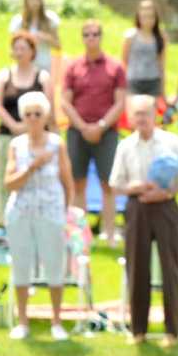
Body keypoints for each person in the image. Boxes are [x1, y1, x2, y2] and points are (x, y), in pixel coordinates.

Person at [108, 95, 178, 346]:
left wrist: (165, 192)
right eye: (137, 114)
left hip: (165, 206)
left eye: (146, 113)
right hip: (137, 208)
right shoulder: (125, 146)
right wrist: (134, 187)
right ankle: (138, 330)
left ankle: (172, 331)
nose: (141, 119)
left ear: (155, 114)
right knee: (137, 268)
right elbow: (115, 184)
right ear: (131, 117)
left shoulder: (171, 142)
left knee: (170, 267)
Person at [4, 90, 77, 341]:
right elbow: (10, 183)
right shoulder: (16, 145)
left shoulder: (57, 144)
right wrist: (32, 166)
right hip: (21, 211)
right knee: (21, 265)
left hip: (51, 211)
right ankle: (22, 321)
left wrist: (67, 213)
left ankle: (57, 321)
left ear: (45, 116)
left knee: (55, 265)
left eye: (37, 114)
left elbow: (68, 183)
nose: (33, 118)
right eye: (28, 114)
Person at [61, 20, 128, 245]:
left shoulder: (115, 67)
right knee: (77, 183)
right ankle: (80, 236)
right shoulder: (73, 67)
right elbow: (65, 102)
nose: (91, 38)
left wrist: (100, 126)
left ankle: (109, 234)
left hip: (106, 133)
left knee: (108, 184)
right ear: (82, 38)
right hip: (77, 132)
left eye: (95, 34)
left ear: (101, 37)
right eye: (87, 34)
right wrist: (82, 126)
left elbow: (120, 103)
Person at [0, 32, 48, 231]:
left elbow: (48, 107)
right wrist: (14, 126)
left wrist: (29, 128)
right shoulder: (4, 75)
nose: (19, 52)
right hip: (7, 135)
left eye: (24, 48)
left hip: (36, 138)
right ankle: (2, 222)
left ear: (33, 52)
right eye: (16, 48)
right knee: (5, 178)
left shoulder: (42, 77)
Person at [11, 0, 61, 123]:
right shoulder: (18, 21)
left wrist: (45, 37)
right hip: (25, 68)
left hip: (44, 65)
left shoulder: (50, 19)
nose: (34, 2)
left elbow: (58, 45)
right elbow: (13, 47)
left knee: (45, 101)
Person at [122, 0, 168, 111]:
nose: (148, 20)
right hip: (134, 81)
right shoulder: (130, 36)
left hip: (153, 82)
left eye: (151, 16)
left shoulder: (160, 37)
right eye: (144, 16)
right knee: (135, 114)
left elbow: (161, 64)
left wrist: (163, 89)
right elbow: (124, 61)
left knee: (151, 115)